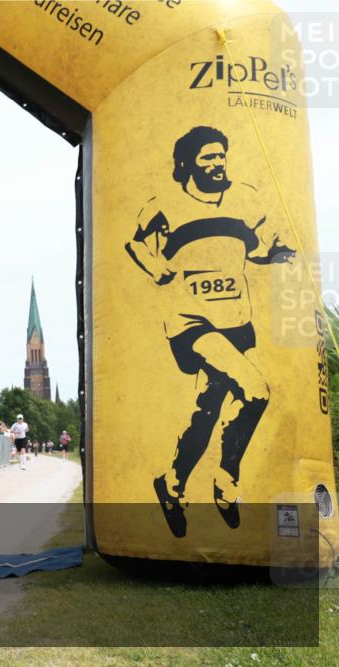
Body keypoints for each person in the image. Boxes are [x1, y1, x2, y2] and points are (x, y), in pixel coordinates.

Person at [125, 126, 294, 538]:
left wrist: (276, 255)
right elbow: (137, 243)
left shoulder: (244, 199)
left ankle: (171, 484)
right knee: (256, 390)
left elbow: (254, 250)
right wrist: (156, 267)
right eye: (208, 158)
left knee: (206, 410)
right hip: (191, 322)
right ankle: (226, 480)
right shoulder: (165, 204)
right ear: (187, 164)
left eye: (221, 156)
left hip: (236, 320)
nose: (218, 164)